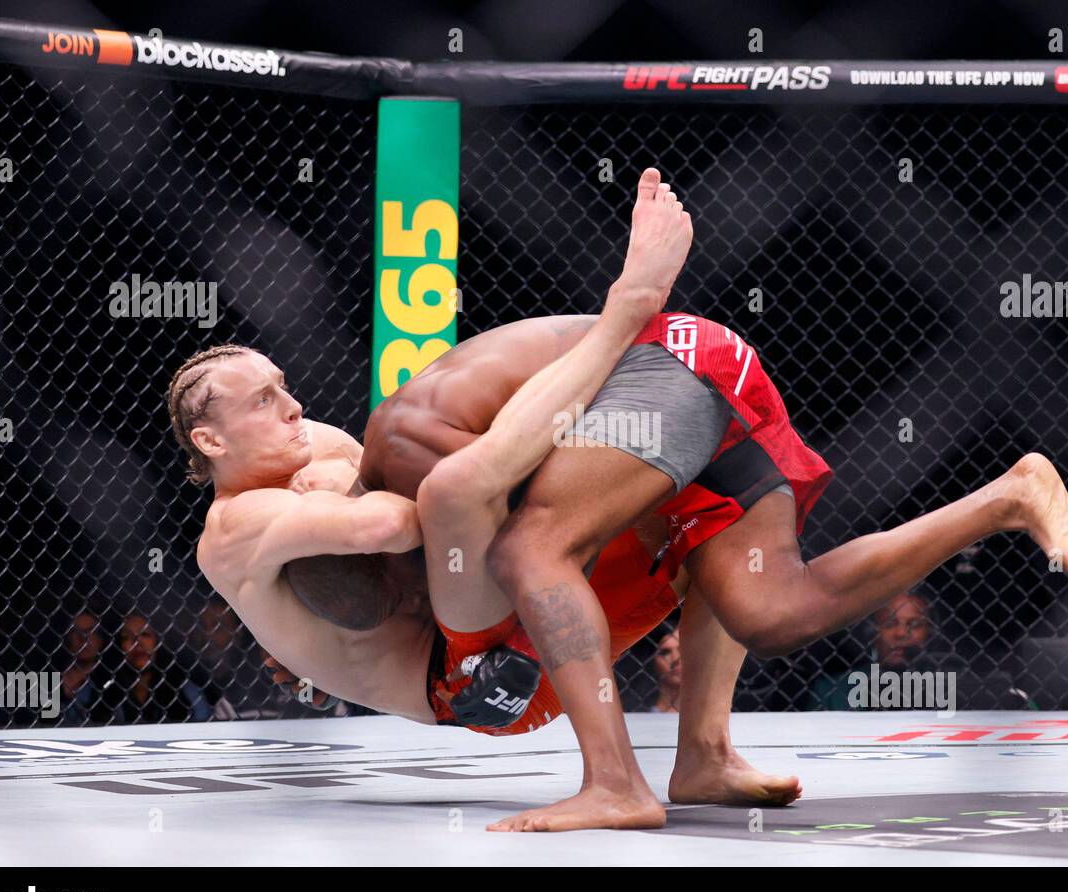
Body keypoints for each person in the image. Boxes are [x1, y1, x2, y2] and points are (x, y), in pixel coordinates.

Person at [171, 170, 799, 820]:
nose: (294, 407)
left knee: (705, 512)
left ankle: (705, 752)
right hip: (470, 680)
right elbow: (391, 526)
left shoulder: (313, 444)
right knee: (462, 486)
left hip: (502, 619)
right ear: (212, 442)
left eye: (283, 386)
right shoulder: (233, 530)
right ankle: (625, 313)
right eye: (264, 401)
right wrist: (368, 491)